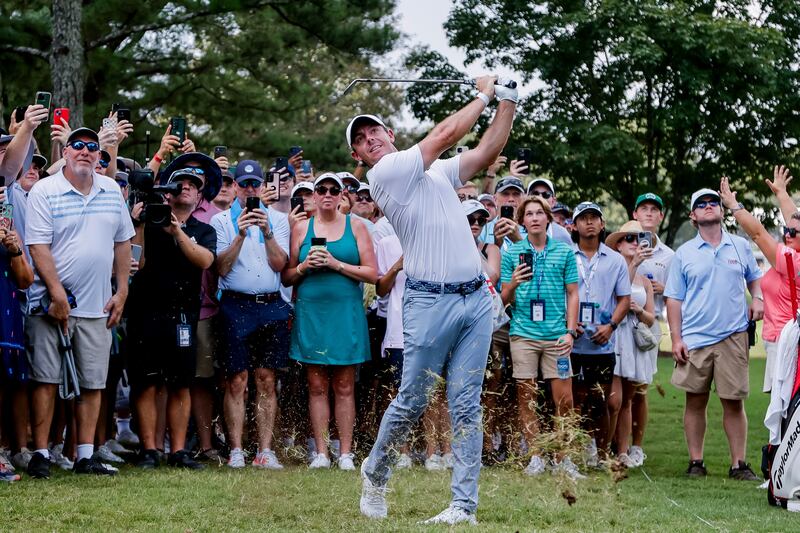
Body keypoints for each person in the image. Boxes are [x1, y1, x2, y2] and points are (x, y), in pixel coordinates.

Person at [354, 74, 517, 525]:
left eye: (375, 133)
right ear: (360, 157)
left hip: (474, 302)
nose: (371, 142)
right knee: (413, 399)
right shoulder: (385, 173)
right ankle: (376, 472)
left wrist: (507, 99)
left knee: (466, 403)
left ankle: (463, 506)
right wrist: (484, 92)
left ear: (390, 134)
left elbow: (486, 153)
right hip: (428, 303)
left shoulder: (436, 172)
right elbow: (446, 134)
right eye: (362, 142)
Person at [24, 127, 134, 478]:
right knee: (45, 380)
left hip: (96, 306)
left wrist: (122, 291)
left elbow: (122, 243)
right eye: (78, 146)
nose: (86, 152)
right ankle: (41, 452)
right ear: (65, 153)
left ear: (100, 156)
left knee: (93, 383)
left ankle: (85, 455)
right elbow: (38, 246)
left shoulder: (111, 191)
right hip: (50, 304)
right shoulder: (45, 190)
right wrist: (55, 293)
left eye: (92, 147)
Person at [665, 187, 763, 480]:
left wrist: (757, 298)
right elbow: (674, 299)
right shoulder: (684, 254)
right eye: (701, 204)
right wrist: (677, 337)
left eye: (714, 202)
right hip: (695, 338)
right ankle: (696, 462)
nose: (709, 206)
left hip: (733, 336)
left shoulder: (740, 246)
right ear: (693, 215)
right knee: (695, 401)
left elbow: (754, 280)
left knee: (734, 402)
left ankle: (739, 465)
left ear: (721, 211)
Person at [127, 157, 217, 471]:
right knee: (147, 382)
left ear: (200, 196)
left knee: (180, 383)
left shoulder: (203, 230)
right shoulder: (149, 223)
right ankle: (149, 449)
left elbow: (205, 261)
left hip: (183, 314)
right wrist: (139, 225)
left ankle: (178, 451)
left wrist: (177, 232)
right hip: (146, 309)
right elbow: (136, 263)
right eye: (181, 184)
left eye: (194, 186)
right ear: (168, 191)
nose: (187, 188)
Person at [283, 173, 377, 471]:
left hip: (345, 312)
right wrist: (303, 266)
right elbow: (286, 276)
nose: (327, 194)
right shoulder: (300, 228)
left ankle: (346, 452)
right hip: (311, 311)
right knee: (316, 385)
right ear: (313, 194)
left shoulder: (357, 227)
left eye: (333, 190)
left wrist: (336, 264)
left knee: (345, 384)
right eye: (321, 189)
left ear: (341, 195)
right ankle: (322, 452)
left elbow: (372, 273)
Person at [211, 160, 290, 469]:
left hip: (270, 303)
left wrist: (267, 231)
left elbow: (280, 265)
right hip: (235, 304)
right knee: (236, 380)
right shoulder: (221, 221)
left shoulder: (279, 220)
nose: (249, 190)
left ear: (261, 186)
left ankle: (265, 450)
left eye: (254, 184)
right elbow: (221, 267)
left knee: (267, 379)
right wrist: (241, 234)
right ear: (235, 188)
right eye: (243, 185)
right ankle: (236, 449)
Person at [500, 196, 581, 478]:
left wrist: (570, 332)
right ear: (522, 221)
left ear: (548, 218)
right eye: (529, 214)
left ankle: (564, 458)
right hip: (523, 333)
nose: (534, 218)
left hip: (557, 335)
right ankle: (535, 456)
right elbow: (503, 297)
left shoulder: (564, 251)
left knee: (564, 400)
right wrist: (513, 283)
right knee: (527, 396)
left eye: (539, 213)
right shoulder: (513, 252)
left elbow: (573, 293)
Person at [569, 202, 631, 465]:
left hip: (603, 343)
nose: (590, 222)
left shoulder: (615, 260)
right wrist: (569, 322)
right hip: (573, 342)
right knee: (575, 399)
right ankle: (575, 452)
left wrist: (612, 326)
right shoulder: (566, 256)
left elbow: (624, 299)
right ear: (574, 226)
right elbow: (561, 293)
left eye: (594, 218)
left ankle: (604, 454)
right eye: (583, 219)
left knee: (601, 400)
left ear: (603, 224)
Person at [603, 221, 656, 468]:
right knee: (612, 400)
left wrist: (637, 310)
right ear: (619, 245)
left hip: (634, 339)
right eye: (630, 239)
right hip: (614, 336)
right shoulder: (611, 270)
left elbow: (651, 317)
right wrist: (633, 265)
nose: (636, 243)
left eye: (639, 238)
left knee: (627, 401)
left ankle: (623, 452)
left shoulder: (645, 281)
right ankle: (602, 448)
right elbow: (614, 300)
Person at [629, 192, 674, 466]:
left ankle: (637, 446)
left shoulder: (669, 256)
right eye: (643, 208)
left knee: (640, 389)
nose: (648, 213)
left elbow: (679, 295)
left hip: (649, 325)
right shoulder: (621, 243)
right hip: (622, 324)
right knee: (619, 387)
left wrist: (664, 289)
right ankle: (615, 442)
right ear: (635, 214)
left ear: (660, 216)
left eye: (653, 209)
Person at [0, 224, 34, 483]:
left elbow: (25, 280)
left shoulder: (6, 230)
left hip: (6, 313)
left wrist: (14, 250)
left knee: (6, 385)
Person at [525, 178, 573, 246]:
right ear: (526, 200)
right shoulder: (516, 231)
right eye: (534, 194)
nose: (540, 198)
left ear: (553, 201)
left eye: (546, 194)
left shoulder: (563, 235)